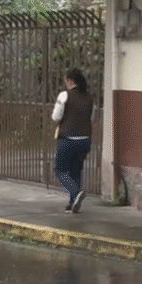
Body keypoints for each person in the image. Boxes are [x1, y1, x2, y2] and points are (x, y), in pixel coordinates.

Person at [51, 68, 94, 213]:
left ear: (70, 81)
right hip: (85, 140)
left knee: (59, 169)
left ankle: (75, 193)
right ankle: (72, 204)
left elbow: (56, 117)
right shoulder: (89, 97)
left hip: (68, 139)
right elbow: (92, 117)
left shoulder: (65, 95)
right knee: (76, 170)